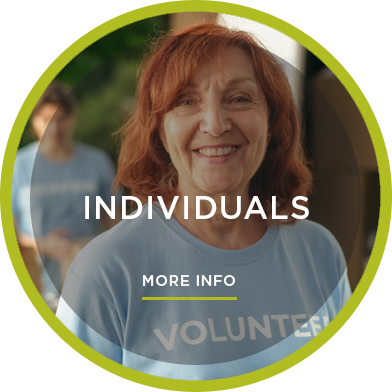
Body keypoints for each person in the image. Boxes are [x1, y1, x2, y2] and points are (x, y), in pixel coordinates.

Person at [36, 23, 369, 381]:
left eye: (239, 98)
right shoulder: (105, 271)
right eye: (186, 101)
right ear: (160, 131)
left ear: (271, 121)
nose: (214, 124)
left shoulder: (321, 253)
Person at [12, 81, 121, 296]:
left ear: (73, 118)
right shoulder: (18, 165)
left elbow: (116, 227)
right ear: (33, 121)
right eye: (46, 120)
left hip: (87, 279)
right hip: (35, 282)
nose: (55, 128)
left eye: (61, 119)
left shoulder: (96, 162)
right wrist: (42, 245)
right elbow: (10, 232)